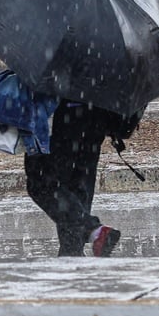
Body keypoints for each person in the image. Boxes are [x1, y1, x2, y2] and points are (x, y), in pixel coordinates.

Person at [24, 100, 127, 258]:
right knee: (76, 188)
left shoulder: (67, 78)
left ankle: (93, 230)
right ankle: (71, 255)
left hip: (68, 116)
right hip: (96, 117)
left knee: (40, 182)